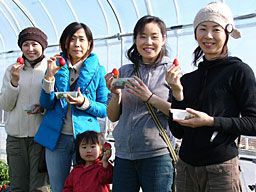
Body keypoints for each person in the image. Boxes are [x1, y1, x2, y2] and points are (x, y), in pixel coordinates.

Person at [166, 2, 256, 192]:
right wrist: (176, 93)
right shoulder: (188, 79)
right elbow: (177, 132)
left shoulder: (239, 71)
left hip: (221, 168)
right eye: (202, 29)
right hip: (185, 167)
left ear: (227, 33)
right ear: (195, 33)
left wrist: (211, 121)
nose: (208, 36)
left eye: (216, 29)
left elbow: (253, 122)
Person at [105, 15, 182, 192]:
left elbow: (179, 113)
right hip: (124, 155)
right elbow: (113, 115)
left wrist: (149, 97)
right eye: (142, 36)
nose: (148, 42)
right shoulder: (126, 70)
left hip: (157, 155)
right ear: (135, 39)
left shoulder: (171, 71)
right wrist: (116, 94)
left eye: (154, 36)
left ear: (163, 39)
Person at [34, 22, 109, 192]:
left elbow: (104, 108)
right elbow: (47, 103)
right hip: (57, 138)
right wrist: (49, 76)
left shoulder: (97, 70)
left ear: (89, 43)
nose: (77, 44)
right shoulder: (55, 67)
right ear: (65, 43)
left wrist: (84, 102)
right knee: (59, 187)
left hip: (86, 140)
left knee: (88, 187)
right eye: (72, 39)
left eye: (82, 39)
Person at [0, 27, 50, 191]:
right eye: (26, 44)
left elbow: (54, 102)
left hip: (40, 138)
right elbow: (6, 105)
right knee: (18, 187)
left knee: (39, 187)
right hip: (15, 138)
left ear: (43, 46)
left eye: (34, 44)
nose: (30, 49)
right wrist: (14, 82)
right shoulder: (12, 70)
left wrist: (42, 108)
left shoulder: (49, 70)